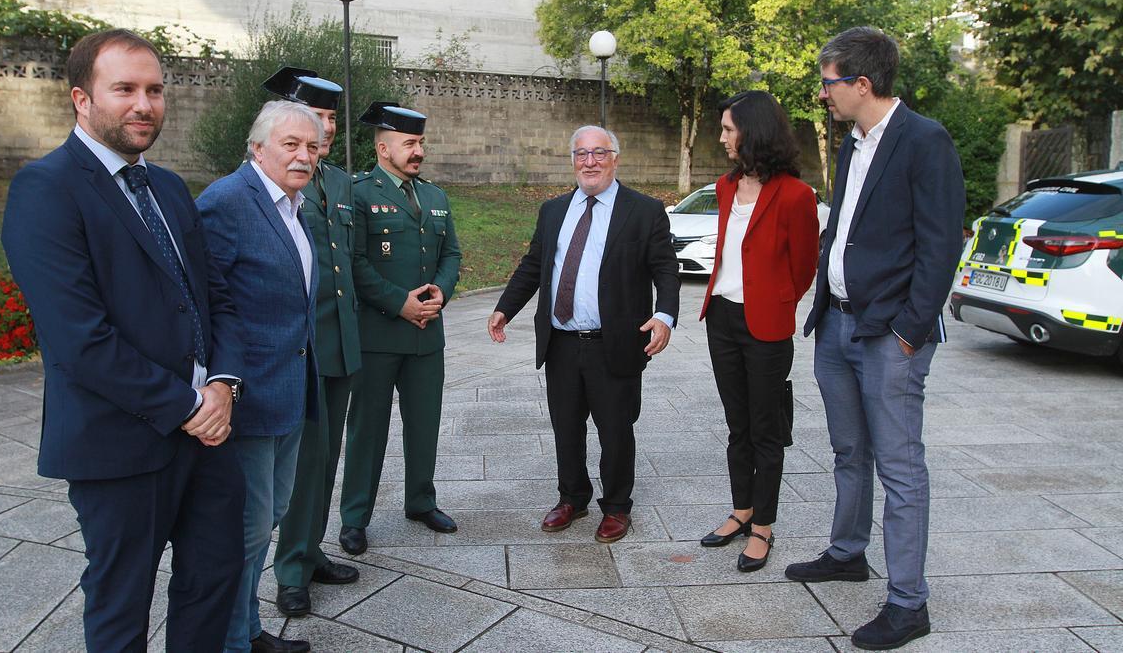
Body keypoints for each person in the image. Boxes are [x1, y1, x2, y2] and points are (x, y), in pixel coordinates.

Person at [1, 29, 246, 651]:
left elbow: (215, 299)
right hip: (119, 442)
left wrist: (222, 384)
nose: (145, 104)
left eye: (155, 90)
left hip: (208, 434)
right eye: (126, 89)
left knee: (214, 578)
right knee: (120, 601)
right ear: (82, 99)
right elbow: (79, 339)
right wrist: (189, 406)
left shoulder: (166, 186)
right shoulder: (46, 189)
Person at [784, 26, 965, 650]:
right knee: (847, 452)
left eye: (829, 81)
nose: (822, 92)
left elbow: (941, 245)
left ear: (862, 83)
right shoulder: (850, 141)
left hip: (890, 333)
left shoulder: (924, 141)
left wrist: (912, 330)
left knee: (900, 466)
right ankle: (847, 552)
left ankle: (909, 603)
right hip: (836, 323)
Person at [488, 125, 679, 543]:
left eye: (599, 153)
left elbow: (666, 267)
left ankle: (616, 507)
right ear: (572, 160)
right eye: (581, 154)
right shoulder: (554, 210)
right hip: (561, 342)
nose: (589, 162)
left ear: (615, 157)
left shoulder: (644, 210)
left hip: (615, 343)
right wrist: (505, 308)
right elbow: (534, 265)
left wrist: (665, 315)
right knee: (566, 426)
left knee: (615, 428)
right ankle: (572, 497)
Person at [196, 100, 324, 653]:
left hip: (289, 392)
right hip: (243, 398)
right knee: (246, 533)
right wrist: (217, 385)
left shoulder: (296, 204)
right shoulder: (227, 202)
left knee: (268, 517)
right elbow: (203, 304)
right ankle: (232, 641)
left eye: (312, 147)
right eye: (291, 145)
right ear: (258, 148)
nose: (303, 156)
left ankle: (246, 630)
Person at [696, 91, 819, 572]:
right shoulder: (725, 187)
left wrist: (774, 302)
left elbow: (805, 266)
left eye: (728, 129)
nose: (722, 137)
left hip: (766, 325)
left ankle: (763, 526)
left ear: (754, 132)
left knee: (767, 431)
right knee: (737, 426)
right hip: (722, 318)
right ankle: (741, 510)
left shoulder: (795, 194)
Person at [338, 102, 462, 556]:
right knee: (367, 429)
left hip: (427, 335)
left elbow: (451, 254)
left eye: (420, 143)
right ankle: (355, 517)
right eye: (409, 144)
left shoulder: (434, 197)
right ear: (383, 147)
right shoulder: (357, 192)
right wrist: (400, 303)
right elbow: (354, 262)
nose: (418, 152)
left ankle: (421, 501)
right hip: (378, 335)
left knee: (424, 424)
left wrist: (440, 294)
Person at [261, 68, 363, 618]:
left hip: (340, 343)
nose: (324, 130)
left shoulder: (341, 183)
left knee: (325, 462)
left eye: (329, 120)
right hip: (298, 349)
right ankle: (291, 570)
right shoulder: (269, 180)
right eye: (315, 118)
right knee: (299, 465)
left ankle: (312, 547)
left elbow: (353, 264)